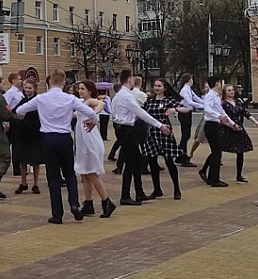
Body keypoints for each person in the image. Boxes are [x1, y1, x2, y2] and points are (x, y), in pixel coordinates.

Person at [16, 69, 98, 224]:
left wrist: (22, 116)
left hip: (47, 138)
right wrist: (93, 122)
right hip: (65, 138)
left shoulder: (41, 98)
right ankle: (74, 203)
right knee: (69, 174)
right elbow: (90, 112)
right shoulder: (70, 99)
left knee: (53, 177)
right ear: (64, 82)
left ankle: (57, 214)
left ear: (49, 82)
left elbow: (20, 110)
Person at [109, 70, 170, 205]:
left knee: (136, 161)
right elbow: (141, 112)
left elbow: (114, 112)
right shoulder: (126, 96)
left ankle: (139, 193)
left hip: (122, 128)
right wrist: (160, 125)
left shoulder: (118, 95)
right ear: (129, 80)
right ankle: (125, 195)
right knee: (131, 163)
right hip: (126, 130)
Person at [142, 78, 189, 200]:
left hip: (164, 133)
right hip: (151, 134)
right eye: (155, 85)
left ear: (165, 88)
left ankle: (177, 189)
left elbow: (186, 108)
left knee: (169, 162)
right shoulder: (149, 101)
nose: (156, 88)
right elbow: (142, 113)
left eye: (159, 86)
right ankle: (157, 189)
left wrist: (175, 109)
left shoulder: (168, 100)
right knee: (152, 162)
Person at [74, 80, 115, 218]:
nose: (80, 91)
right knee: (84, 173)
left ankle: (106, 201)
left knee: (91, 172)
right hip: (82, 141)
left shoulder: (90, 101)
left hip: (90, 140)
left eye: (83, 89)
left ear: (90, 90)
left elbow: (101, 104)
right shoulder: (79, 102)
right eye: (79, 89)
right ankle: (88, 203)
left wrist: (92, 115)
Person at [198, 76, 237, 187]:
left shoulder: (216, 96)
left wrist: (232, 123)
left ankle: (212, 177)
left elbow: (221, 110)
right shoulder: (210, 96)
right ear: (216, 84)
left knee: (217, 152)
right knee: (216, 152)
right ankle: (214, 179)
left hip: (215, 125)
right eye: (220, 83)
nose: (221, 85)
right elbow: (208, 109)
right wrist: (219, 116)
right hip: (211, 125)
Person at [219, 84, 258, 184]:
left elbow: (245, 113)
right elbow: (223, 118)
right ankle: (207, 170)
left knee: (240, 151)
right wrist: (231, 126)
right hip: (227, 130)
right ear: (224, 92)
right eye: (229, 90)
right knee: (218, 151)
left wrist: (255, 122)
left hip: (239, 129)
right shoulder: (223, 104)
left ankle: (239, 175)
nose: (231, 92)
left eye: (232, 90)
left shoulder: (237, 102)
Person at [11, 79, 43, 195]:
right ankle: (23, 183)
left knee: (36, 161)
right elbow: (14, 112)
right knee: (23, 160)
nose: (28, 90)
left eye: (30, 88)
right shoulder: (23, 101)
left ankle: (36, 184)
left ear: (35, 89)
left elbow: (40, 117)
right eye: (26, 88)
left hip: (35, 134)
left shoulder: (38, 101)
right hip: (23, 134)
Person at [176, 73, 203, 167]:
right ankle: (182, 157)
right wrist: (202, 106)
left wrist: (205, 103)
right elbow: (189, 102)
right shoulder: (184, 90)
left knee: (186, 135)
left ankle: (179, 156)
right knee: (185, 135)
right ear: (189, 80)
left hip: (187, 113)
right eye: (192, 79)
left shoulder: (189, 89)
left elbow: (196, 98)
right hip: (184, 113)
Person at [4, 73, 24, 177]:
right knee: (14, 144)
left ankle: (18, 166)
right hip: (13, 120)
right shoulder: (11, 92)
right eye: (19, 79)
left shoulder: (19, 92)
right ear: (13, 81)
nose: (21, 81)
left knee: (17, 144)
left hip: (18, 120)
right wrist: (7, 119)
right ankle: (16, 167)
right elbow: (6, 105)